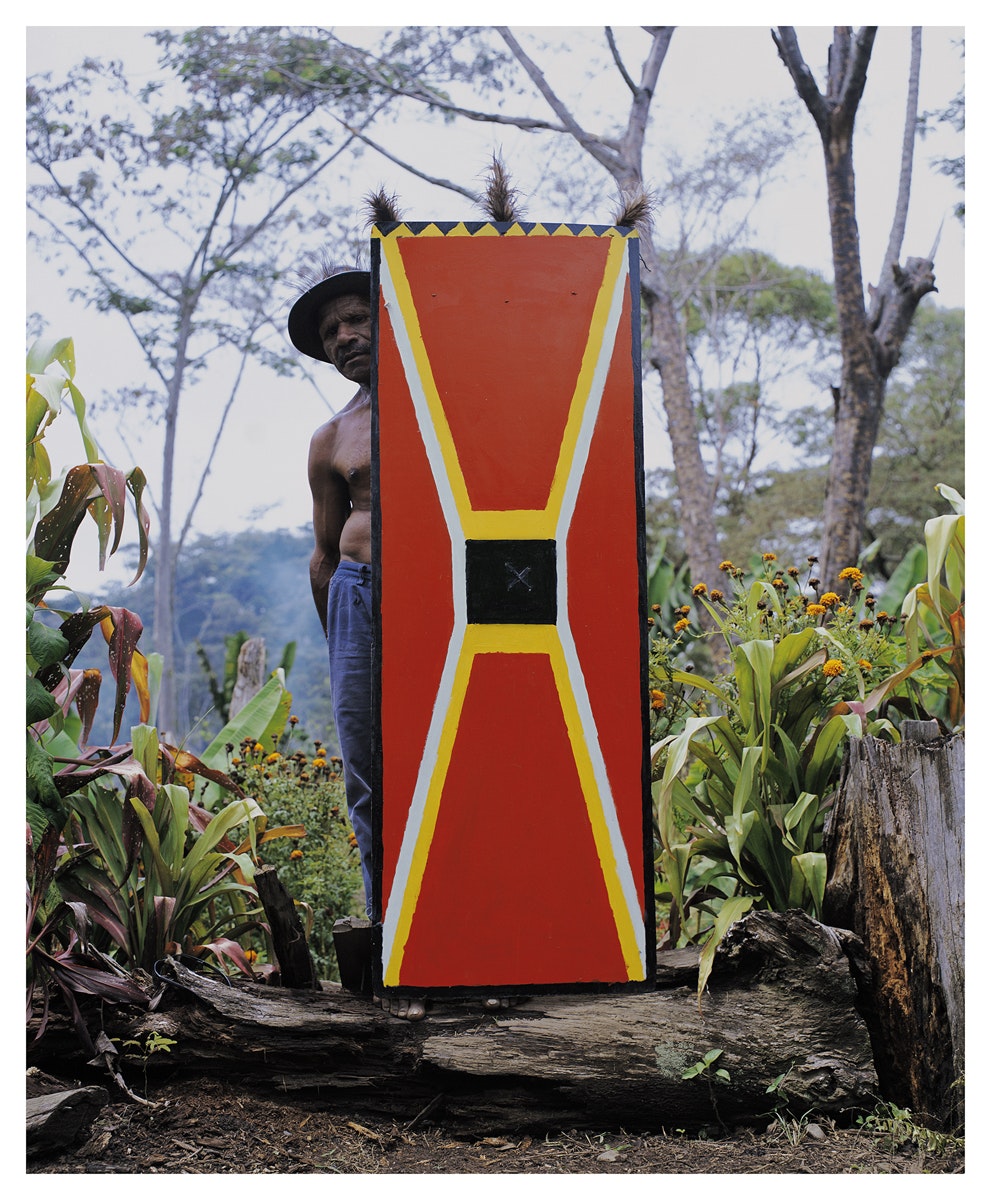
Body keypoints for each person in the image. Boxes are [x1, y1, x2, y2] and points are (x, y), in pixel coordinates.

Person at [289, 264, 520, 1022]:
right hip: (358, 598)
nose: (345, 337)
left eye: (356, 319)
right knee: (371, 773)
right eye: (331, 332)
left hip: (449, 596)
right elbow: (323, 554)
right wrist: (346, 639)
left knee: (464, 759)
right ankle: (397, 942)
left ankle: (486, 939)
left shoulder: (447, 408)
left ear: (390, 321)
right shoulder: (333, 437)